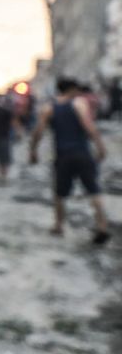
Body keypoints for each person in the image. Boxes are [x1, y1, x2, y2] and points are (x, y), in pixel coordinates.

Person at [28, 78, 111, 244]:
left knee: (60, 192)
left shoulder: (49, 108)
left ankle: (59, 225)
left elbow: (38, 131)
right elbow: (89, 127)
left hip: (63, 155)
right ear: (71, 89)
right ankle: (101, 225)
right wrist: (100, 148)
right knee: (93, 189)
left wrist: (33, 151)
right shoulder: (78, 104)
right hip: (82, 153)